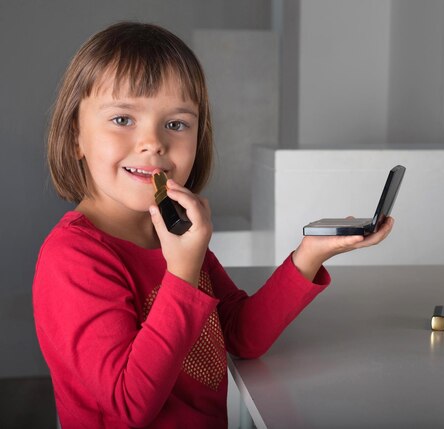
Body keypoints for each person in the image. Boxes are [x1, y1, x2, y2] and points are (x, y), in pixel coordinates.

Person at [32, 21, 394, 428]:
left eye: (176, 124)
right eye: (122, 119)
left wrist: (308, 256)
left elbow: (242, 335)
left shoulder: (171, 234)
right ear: (75, 135)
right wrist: (183, 271)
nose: (153, 143)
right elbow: (127, 406)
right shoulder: (73, 258)